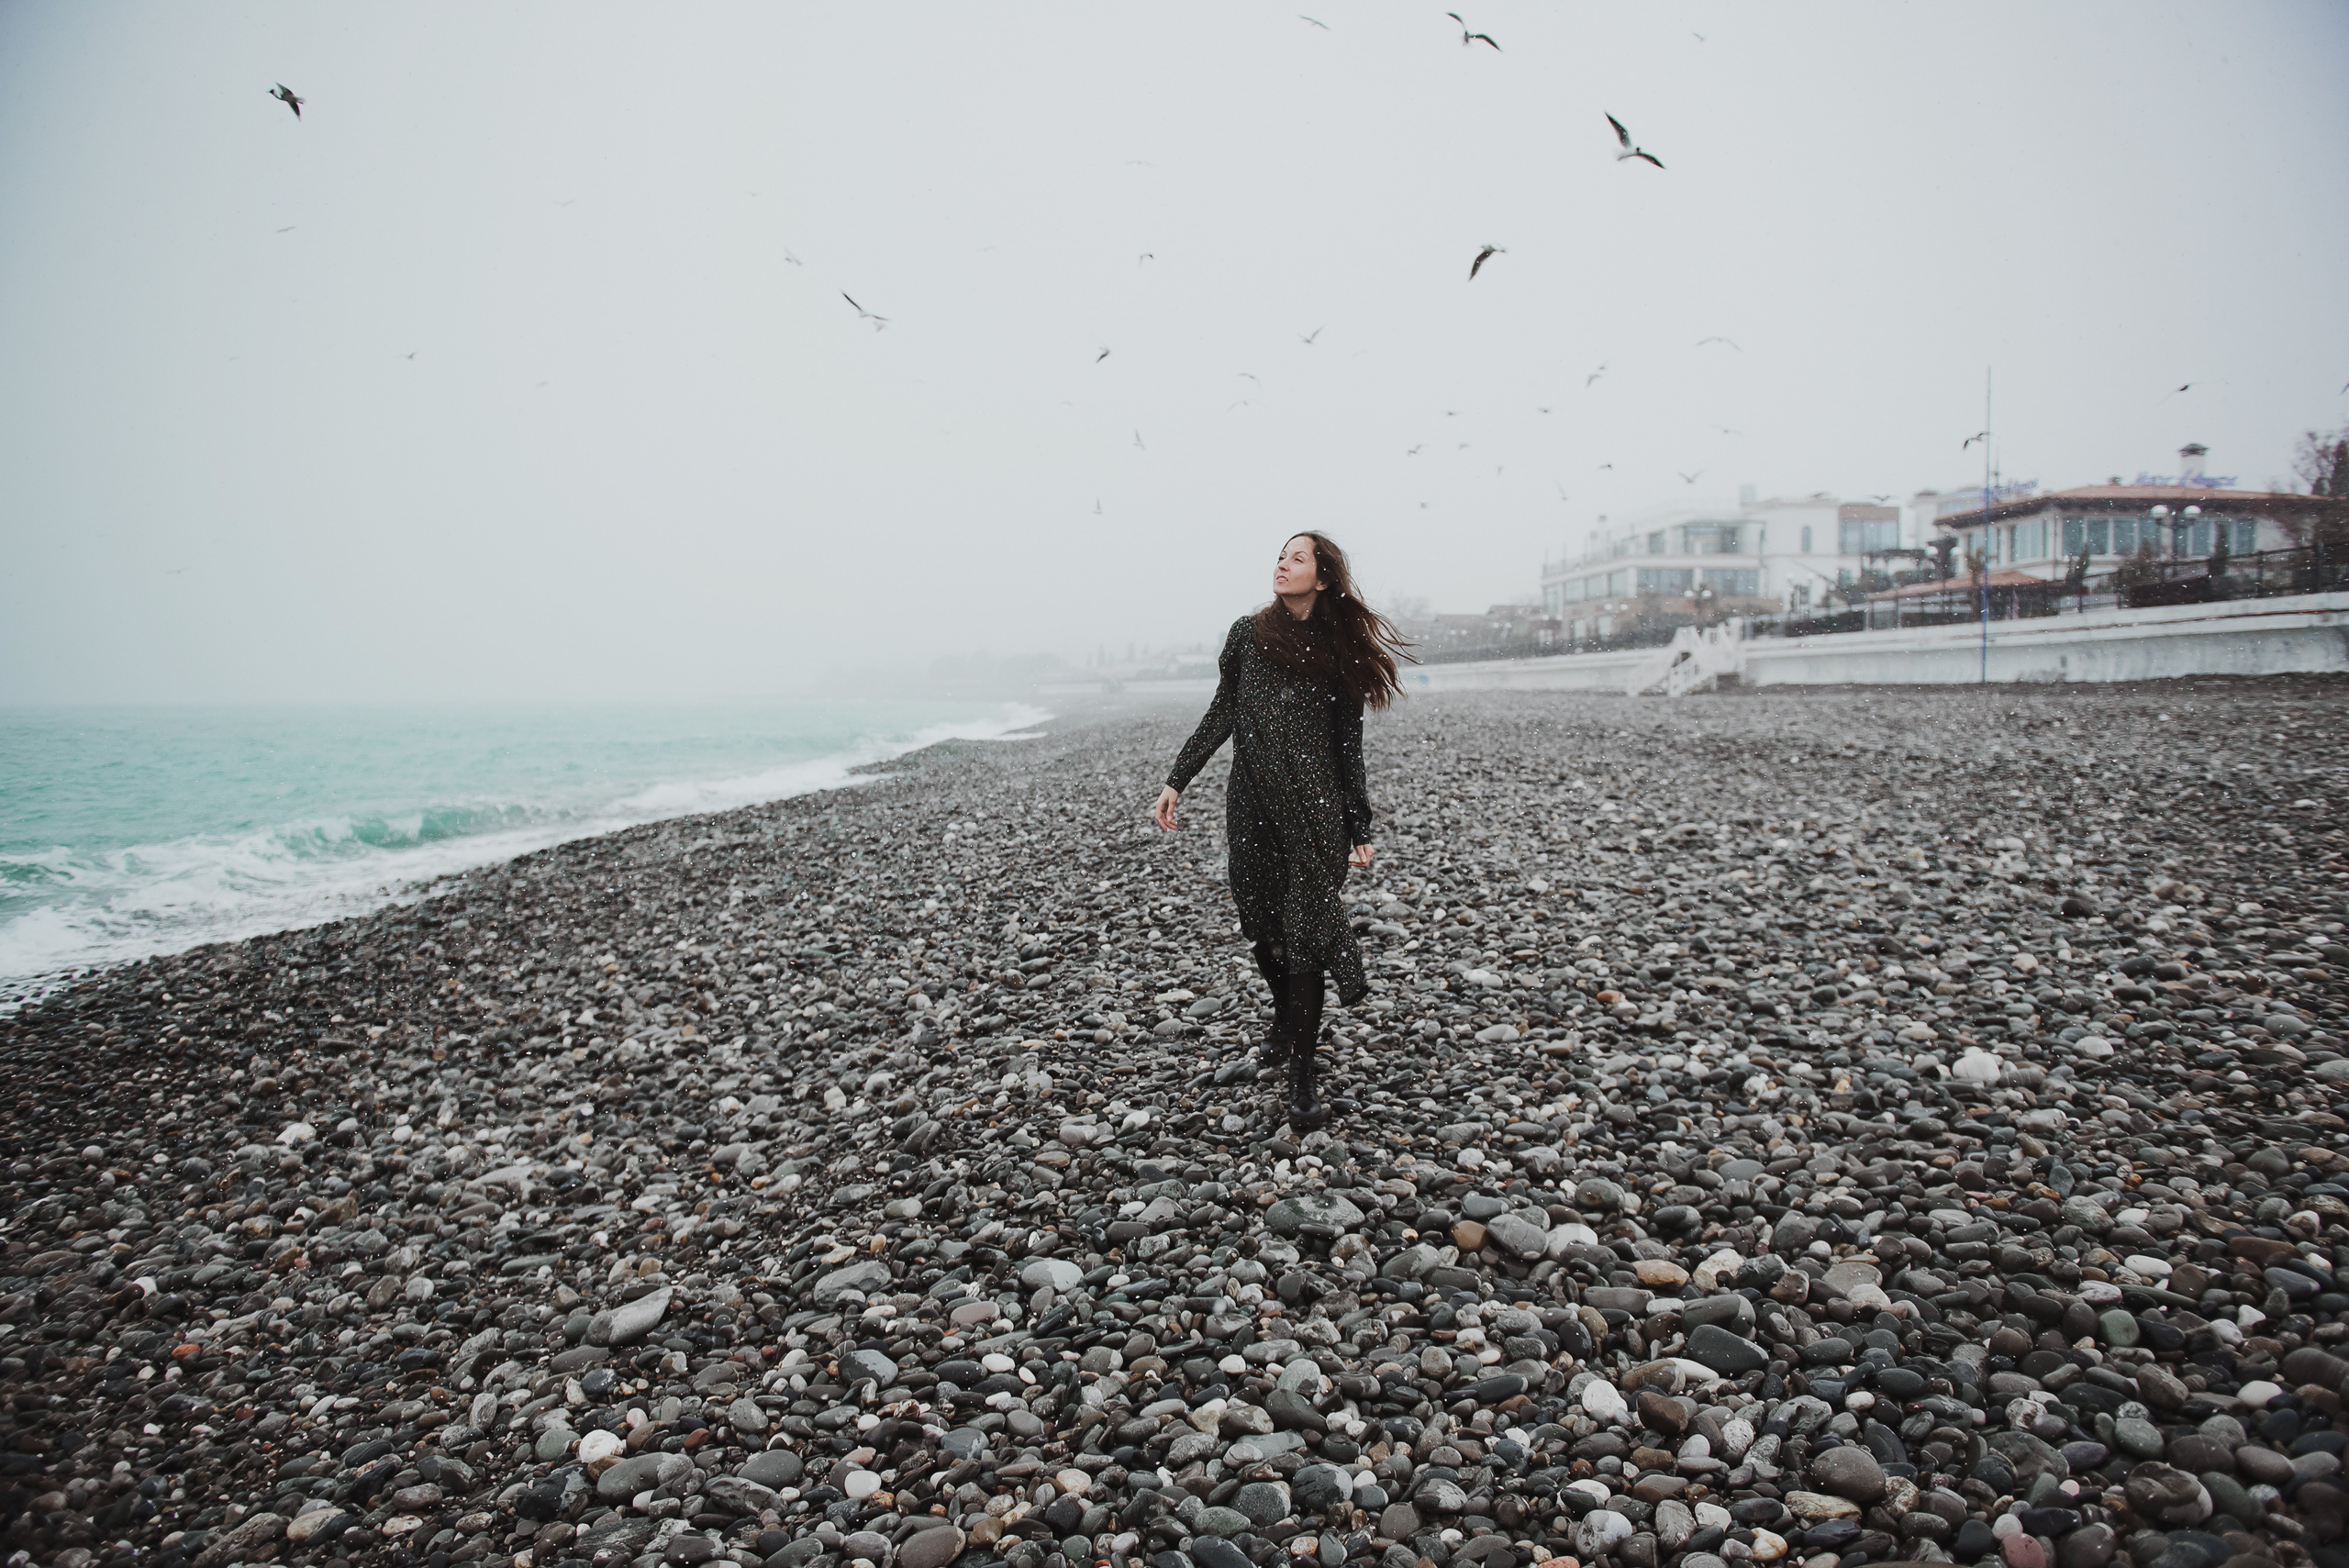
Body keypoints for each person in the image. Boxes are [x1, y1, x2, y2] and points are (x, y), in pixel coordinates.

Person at [1154, 531, 1410, 1129]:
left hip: (1315, 811)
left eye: (1297, 558)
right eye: (1279, 555)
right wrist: (1177, 779)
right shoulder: (1248, 635)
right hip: (1250, 803)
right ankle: (1285, 1017)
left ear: (1321, 578)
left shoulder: (1339, 647)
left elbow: (1349, 745)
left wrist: (1358, 821)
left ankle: (1302, 1071)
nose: (1282, 564)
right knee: (1262, 928)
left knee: (1303, 934)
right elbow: (1222, 710)